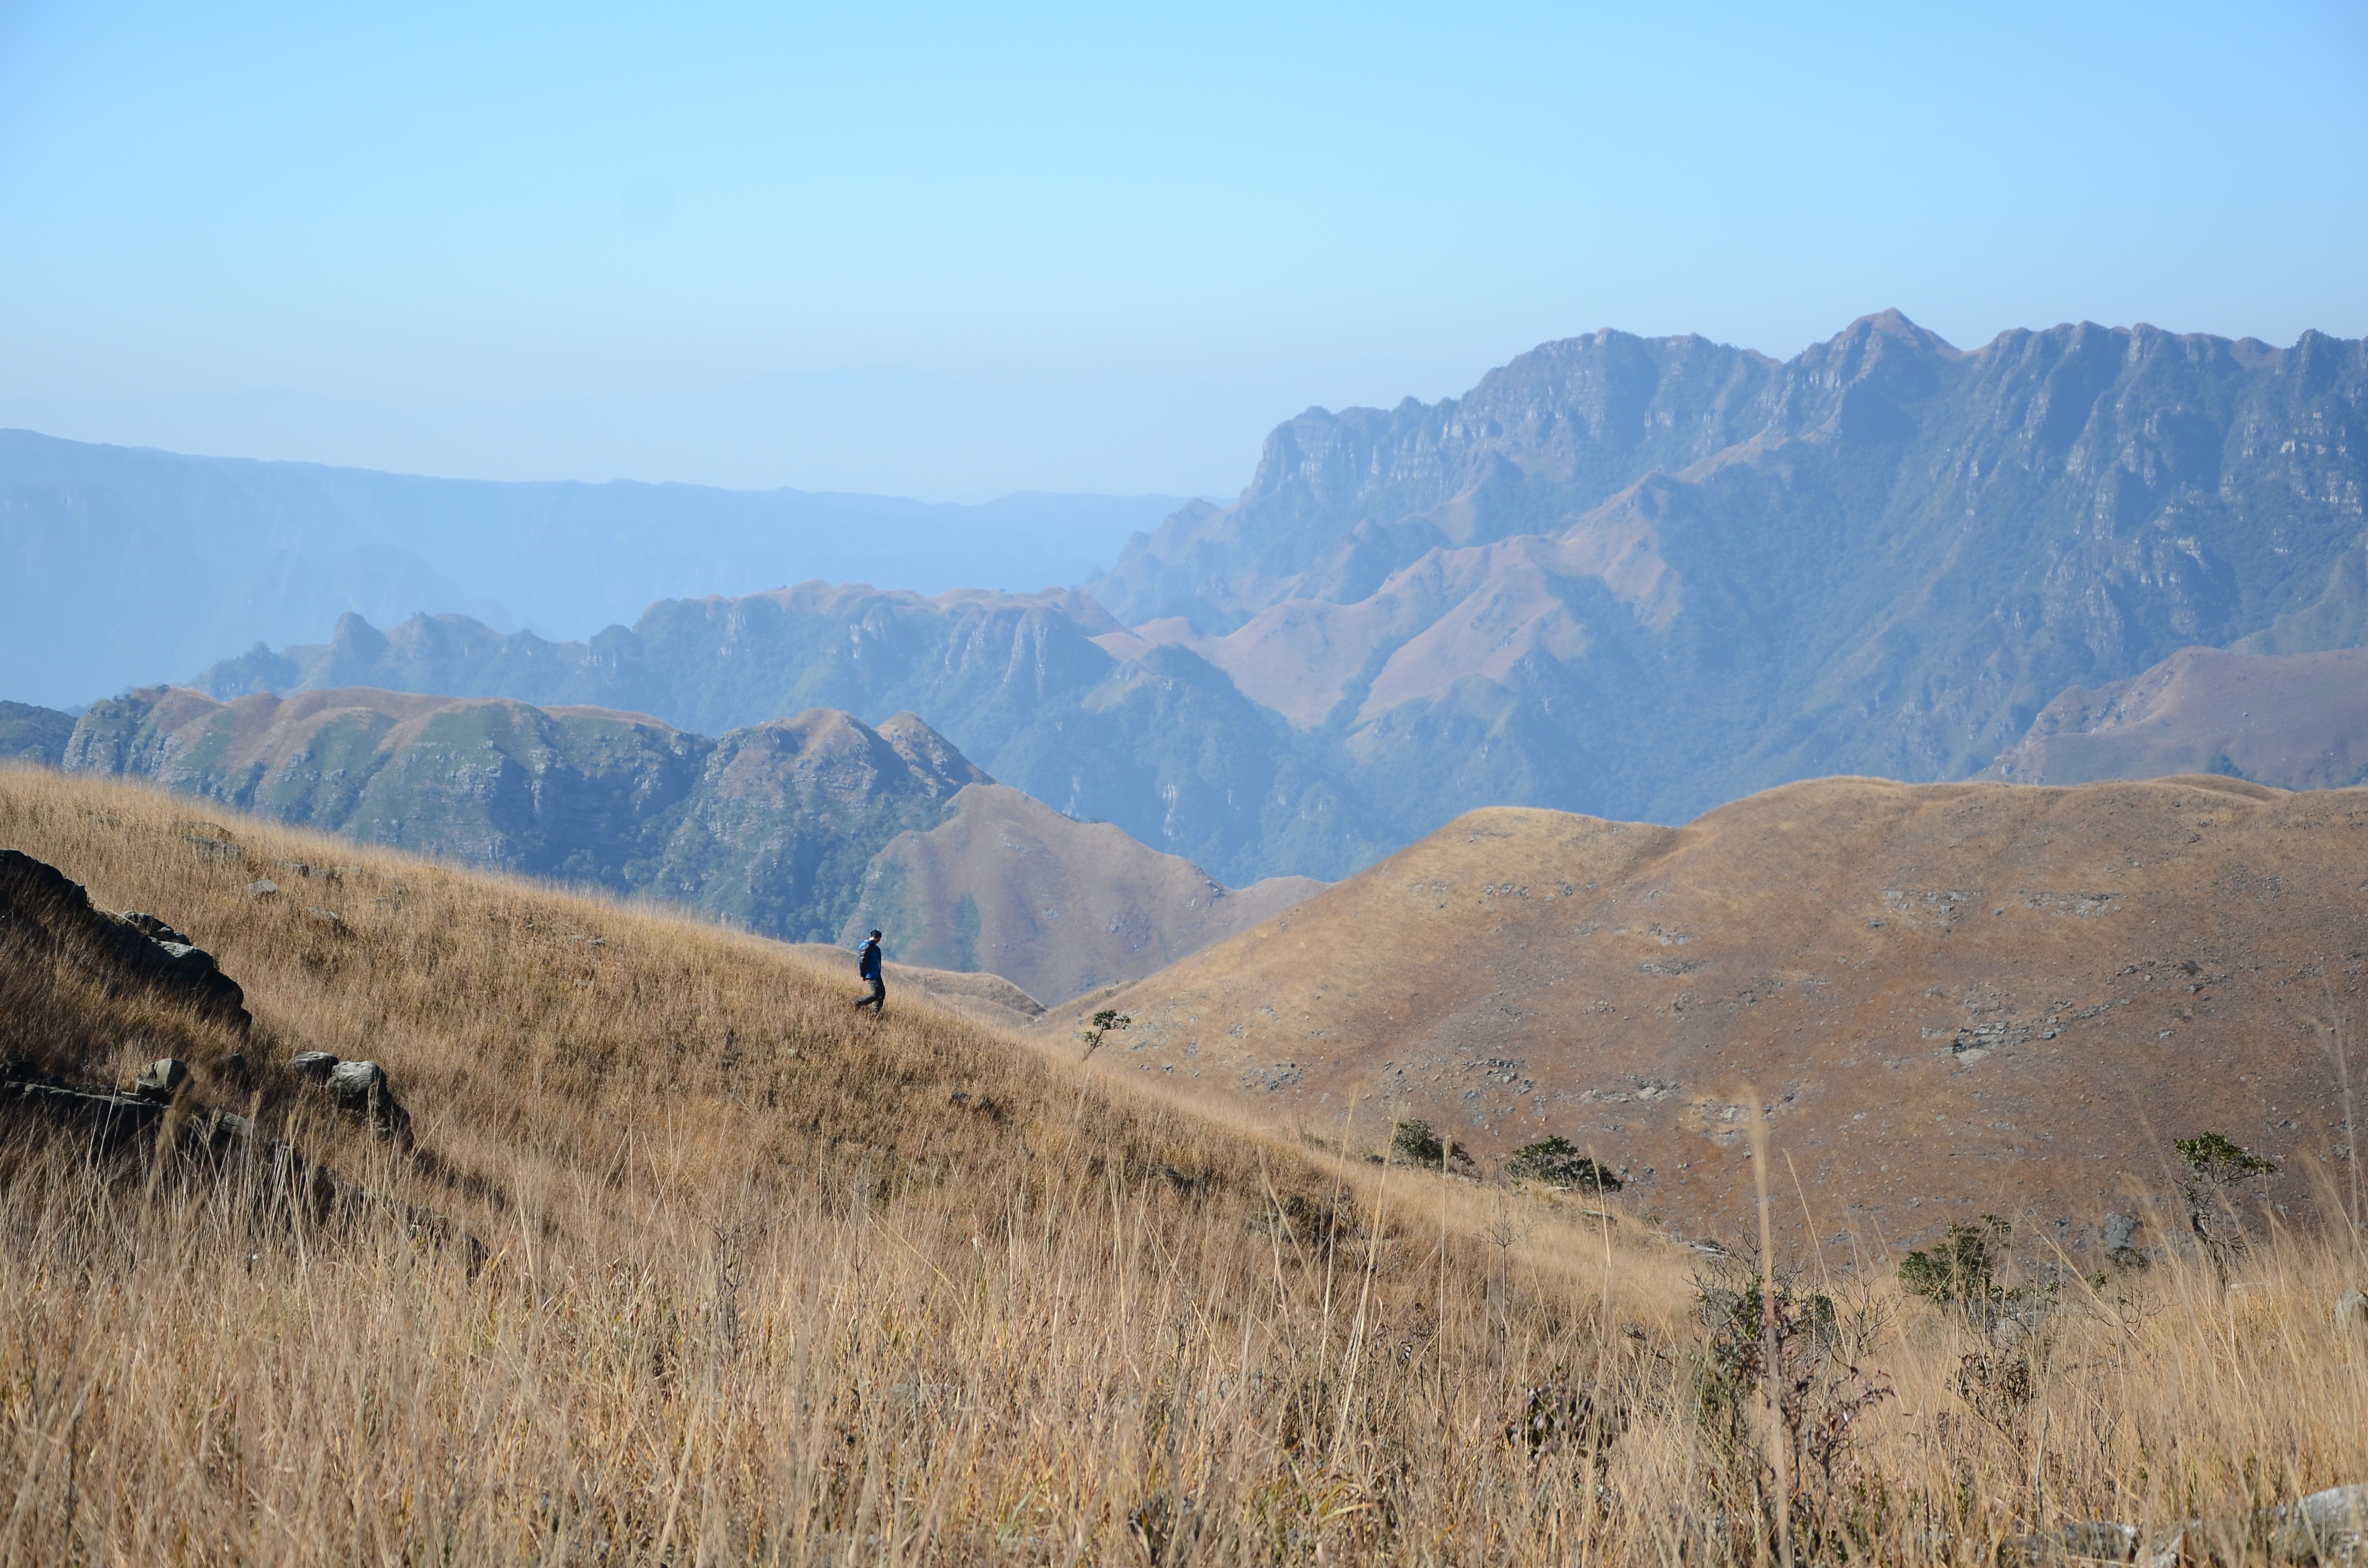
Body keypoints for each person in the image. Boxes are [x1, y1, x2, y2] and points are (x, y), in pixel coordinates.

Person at [852, 929, 885, 1016]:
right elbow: (863, 962)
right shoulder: (867, 947)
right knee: (876, 994)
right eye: (879, 938)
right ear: (876, 938)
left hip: (876, 974)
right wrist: (863, 975)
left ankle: (875, 1014)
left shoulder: (875, 948)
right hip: (870, 974)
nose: (879, 941)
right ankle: (857, 1003)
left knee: (882, 993)